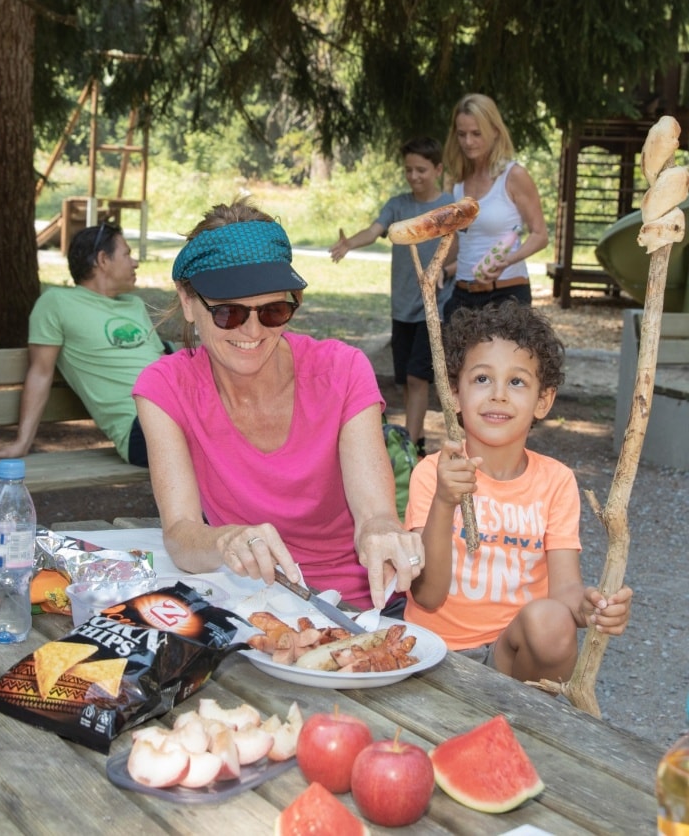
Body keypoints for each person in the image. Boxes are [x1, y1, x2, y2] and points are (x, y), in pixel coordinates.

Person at [133, 201, 424, 611]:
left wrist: (381, 530)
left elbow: (374, 512)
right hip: (256, 605)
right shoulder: (166, 388)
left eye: (273, 310)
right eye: (229, 313)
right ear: (186, 301)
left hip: (365, 605)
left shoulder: (342, 371)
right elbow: (181, 534)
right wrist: (226, 539)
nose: (252, 331)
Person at [405, 302, 632, 681]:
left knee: (551, 621)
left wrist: (591, 608)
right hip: (436, 653)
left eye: (517, 382)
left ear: (543, 400)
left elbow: (564, 592)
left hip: (512, 658)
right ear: (454, 392)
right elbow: (427, 596)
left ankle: (531, 729)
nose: (498, 395)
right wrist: (446, 501)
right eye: (481, 379)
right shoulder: (433, 473)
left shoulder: (556, 481)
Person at [0, 222, 164, 466]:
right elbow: (40, 373)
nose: (135, 262)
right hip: (143, 427)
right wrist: (23, 441)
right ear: (103, 260)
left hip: (177, 409)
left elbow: (163, 364)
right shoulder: (57, 303)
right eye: (127, 254)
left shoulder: (134, 305)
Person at [330, 136, 455, 453]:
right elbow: (374, 230)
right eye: (409, 170)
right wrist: (349, 244)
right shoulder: (398, 205)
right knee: (405, 381)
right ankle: (418, 438)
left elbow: (464, 252)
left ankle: (409, 447)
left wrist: (448, 270)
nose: (414, 176)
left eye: (421, 170)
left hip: (434, 307)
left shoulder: (449, 206)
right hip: (402, 305)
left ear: (438, 169)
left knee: (417, 377)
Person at [442, 93, 549, 319]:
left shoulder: (513, 175)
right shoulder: (457, 181)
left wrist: (507, 260)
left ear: (495, 131)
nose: (468, 142)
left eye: (476, 133)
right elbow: (461, 239)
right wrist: (436, 268)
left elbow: (540, 235)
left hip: (506, 295)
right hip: (462, 295)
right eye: (462, 134)